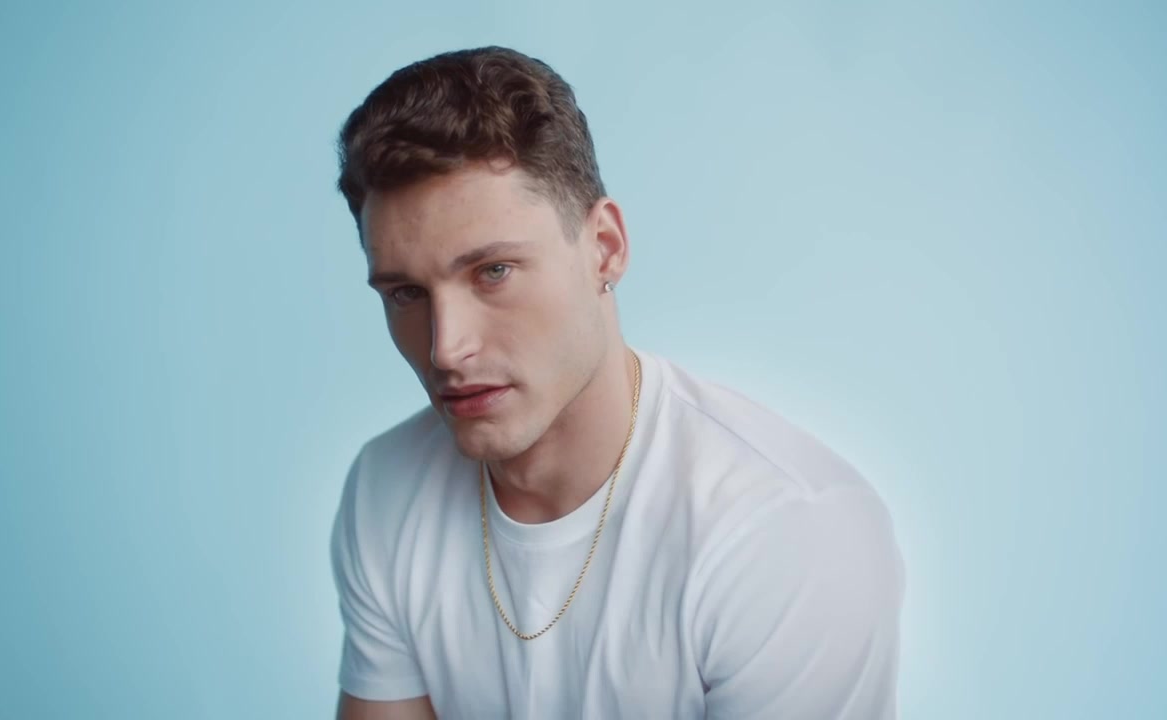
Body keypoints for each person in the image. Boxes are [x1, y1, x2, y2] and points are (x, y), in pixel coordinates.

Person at [329, 45, 906, 720]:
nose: (446, 347)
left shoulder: (785, 532)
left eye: (493, 272)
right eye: (405, 293)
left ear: (604, 246)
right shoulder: (385, 489)